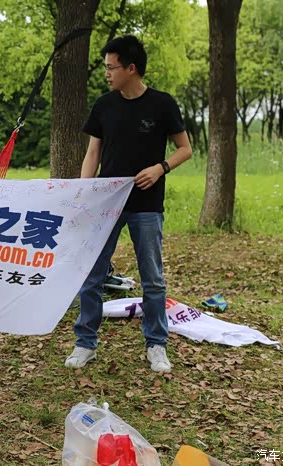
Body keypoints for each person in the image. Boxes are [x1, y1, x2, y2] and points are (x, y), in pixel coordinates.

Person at [65, 35, 192, 373]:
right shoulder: (104, 106)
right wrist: (84, 193)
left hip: (147, 205)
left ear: (131, 68)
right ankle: (85, 342)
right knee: (93, 275)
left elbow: (185, 149)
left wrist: (160, 168)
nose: (107, 73)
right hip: (106, 205)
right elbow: (93, 153)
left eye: (112, 67)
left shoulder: (162, 104)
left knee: (153, 280)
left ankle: (156, 344)